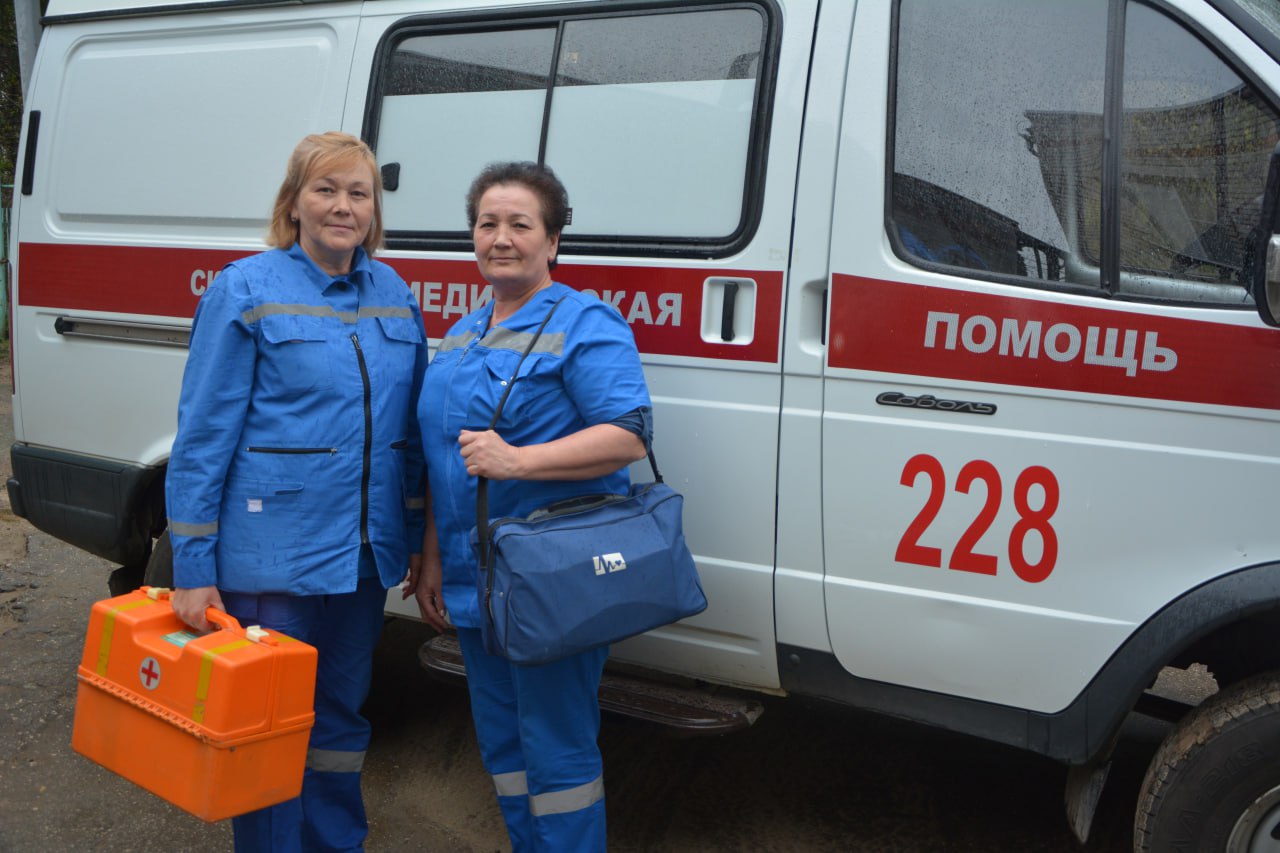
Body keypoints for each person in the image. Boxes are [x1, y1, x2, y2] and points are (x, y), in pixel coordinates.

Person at [165, 131, 428, 852]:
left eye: (358, 193)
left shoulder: (395, 294)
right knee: (268, 728)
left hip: (363, 560)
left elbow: (408, 435)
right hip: (271, 562)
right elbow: (202, 438)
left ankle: (336, 843)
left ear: (374, 210)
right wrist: (193, 568)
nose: (343, 206)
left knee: (340, 719)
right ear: (294, 203)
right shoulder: (244, 289)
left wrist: (414, 539)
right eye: (326, 189)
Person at [407, 162, 651, 852]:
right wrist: (432, 557)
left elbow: (628, 434)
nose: (501, 238)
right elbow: (444, 458)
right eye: (488, 223)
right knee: (504, 743)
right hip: (473, 578)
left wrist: (519, 460)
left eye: (520, 224)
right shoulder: (462, 334)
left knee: (556, 749)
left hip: (549, 581)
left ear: (552, 241)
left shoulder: (584, 321)